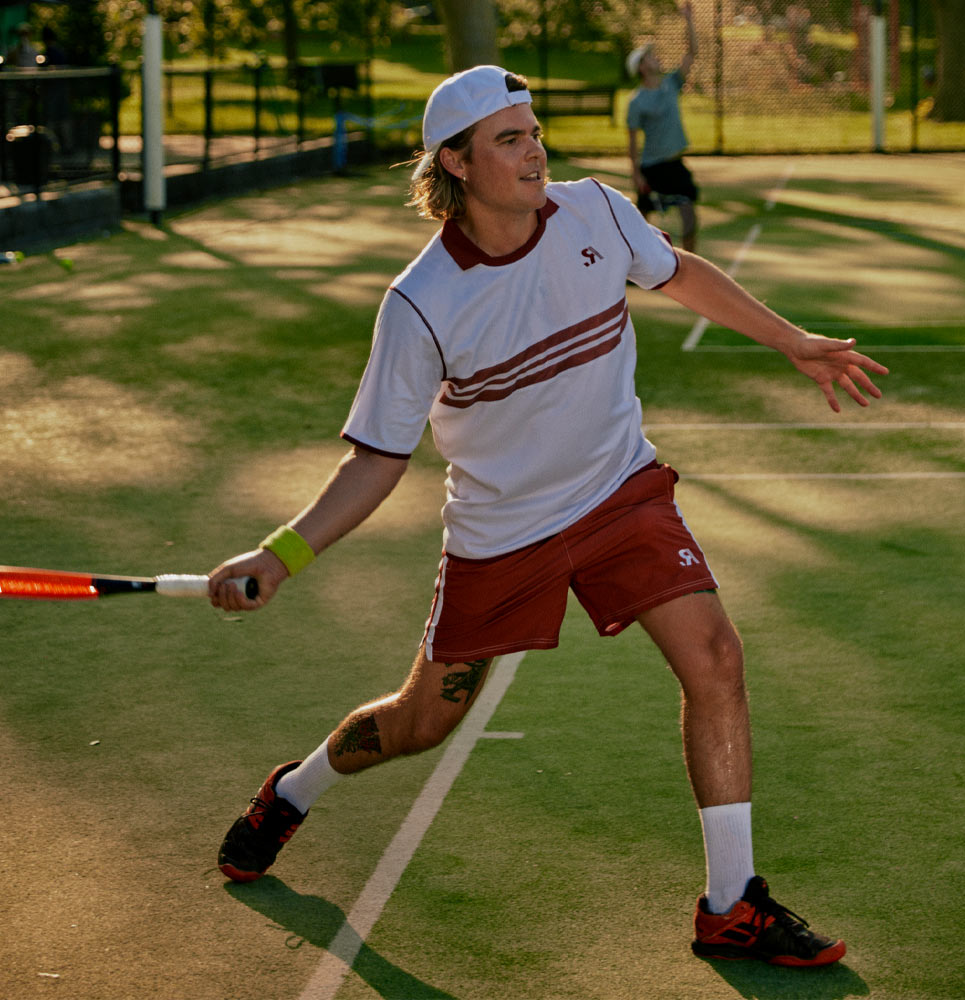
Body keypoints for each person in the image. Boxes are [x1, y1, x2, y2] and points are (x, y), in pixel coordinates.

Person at [210, 65, 887, 967]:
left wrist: (792, 340)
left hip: (619, 493)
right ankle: (295, 790)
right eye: (509, 140)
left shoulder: (596, 212)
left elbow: (677, 271)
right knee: (422, 722)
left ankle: (732, 906)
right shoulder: (420, 305)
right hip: (503, 533)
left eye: (534, 132)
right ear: (454, 162)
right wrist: (281, 553)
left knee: (717, 658)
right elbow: (377, 459)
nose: (535, 153)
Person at [626, 2, 699, 251]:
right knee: (641, 224)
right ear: (642, 67)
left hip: (674, 164)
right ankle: (632, 270)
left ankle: (693, 270)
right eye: (649, 56)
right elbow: (633, 141)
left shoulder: (671, 84)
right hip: (652, 168)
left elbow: (691, 53)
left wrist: (688, 19)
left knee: (689, 217)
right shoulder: (636, 102)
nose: (655, 57)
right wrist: (636, 174)